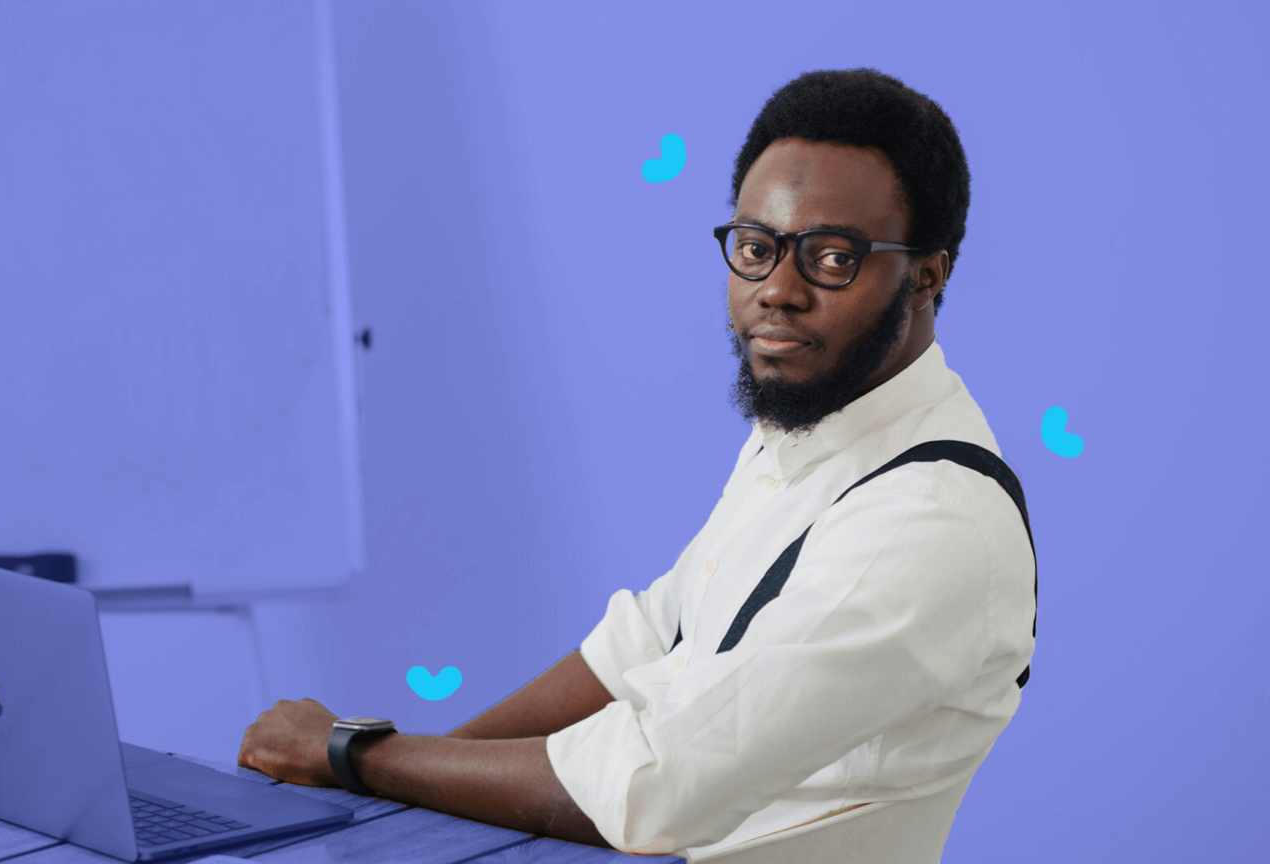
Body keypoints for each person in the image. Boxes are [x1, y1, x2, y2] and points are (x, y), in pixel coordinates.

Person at [237, 68, 1037, 860]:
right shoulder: (817, 425)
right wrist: (396, 791)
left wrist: (353, 753)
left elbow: (653, 782)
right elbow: (651, 639)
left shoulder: (932, 519)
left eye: (831, 259)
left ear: (927, 274)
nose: (777, 291)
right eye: (756, 248)